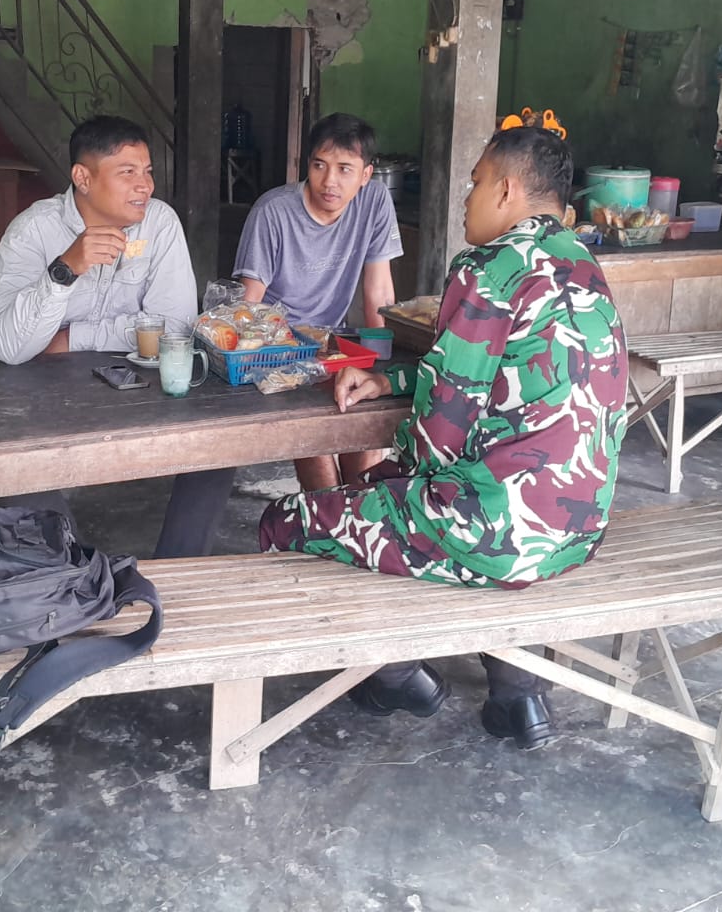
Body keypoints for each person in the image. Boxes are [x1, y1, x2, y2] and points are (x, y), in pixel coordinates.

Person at [257, 126, 628, 750]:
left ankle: (397, 674)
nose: (466, 198)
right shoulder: (582, 263)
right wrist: (391, 380)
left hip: (500, 538)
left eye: (476, 183)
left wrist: (376, 483)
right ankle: (518, 693)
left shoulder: (488, 269)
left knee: (292, 519)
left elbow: (439, 440)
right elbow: (503, 375)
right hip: (579, 528)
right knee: (388, 501)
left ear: (507, 191)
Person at [0, 115, 234, 558]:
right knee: (10, 463)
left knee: (220, 444)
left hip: (140, 388)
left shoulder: (159, 223)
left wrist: (71, 338)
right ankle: (78, 573)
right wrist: (64, 270)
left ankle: (177, 566)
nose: (145, 186)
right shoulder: (33, 231)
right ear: (83, 178)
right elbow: (10, 347)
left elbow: (176, 326)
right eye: (128, 172)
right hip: (47, 396)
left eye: (148, 171)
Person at [232, 114, 402, 493]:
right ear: (306, 164)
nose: (329, 181)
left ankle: (355, 519)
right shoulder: (273, 212)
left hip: (333, 345)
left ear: (366, 175)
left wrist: (379, 366)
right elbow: (247, 308)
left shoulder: (374, 201)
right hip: (279, 350)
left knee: (364, 430)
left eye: (345, 169)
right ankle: (326, 513)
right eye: (319, 165)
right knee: (318, 441)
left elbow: (378, 290)